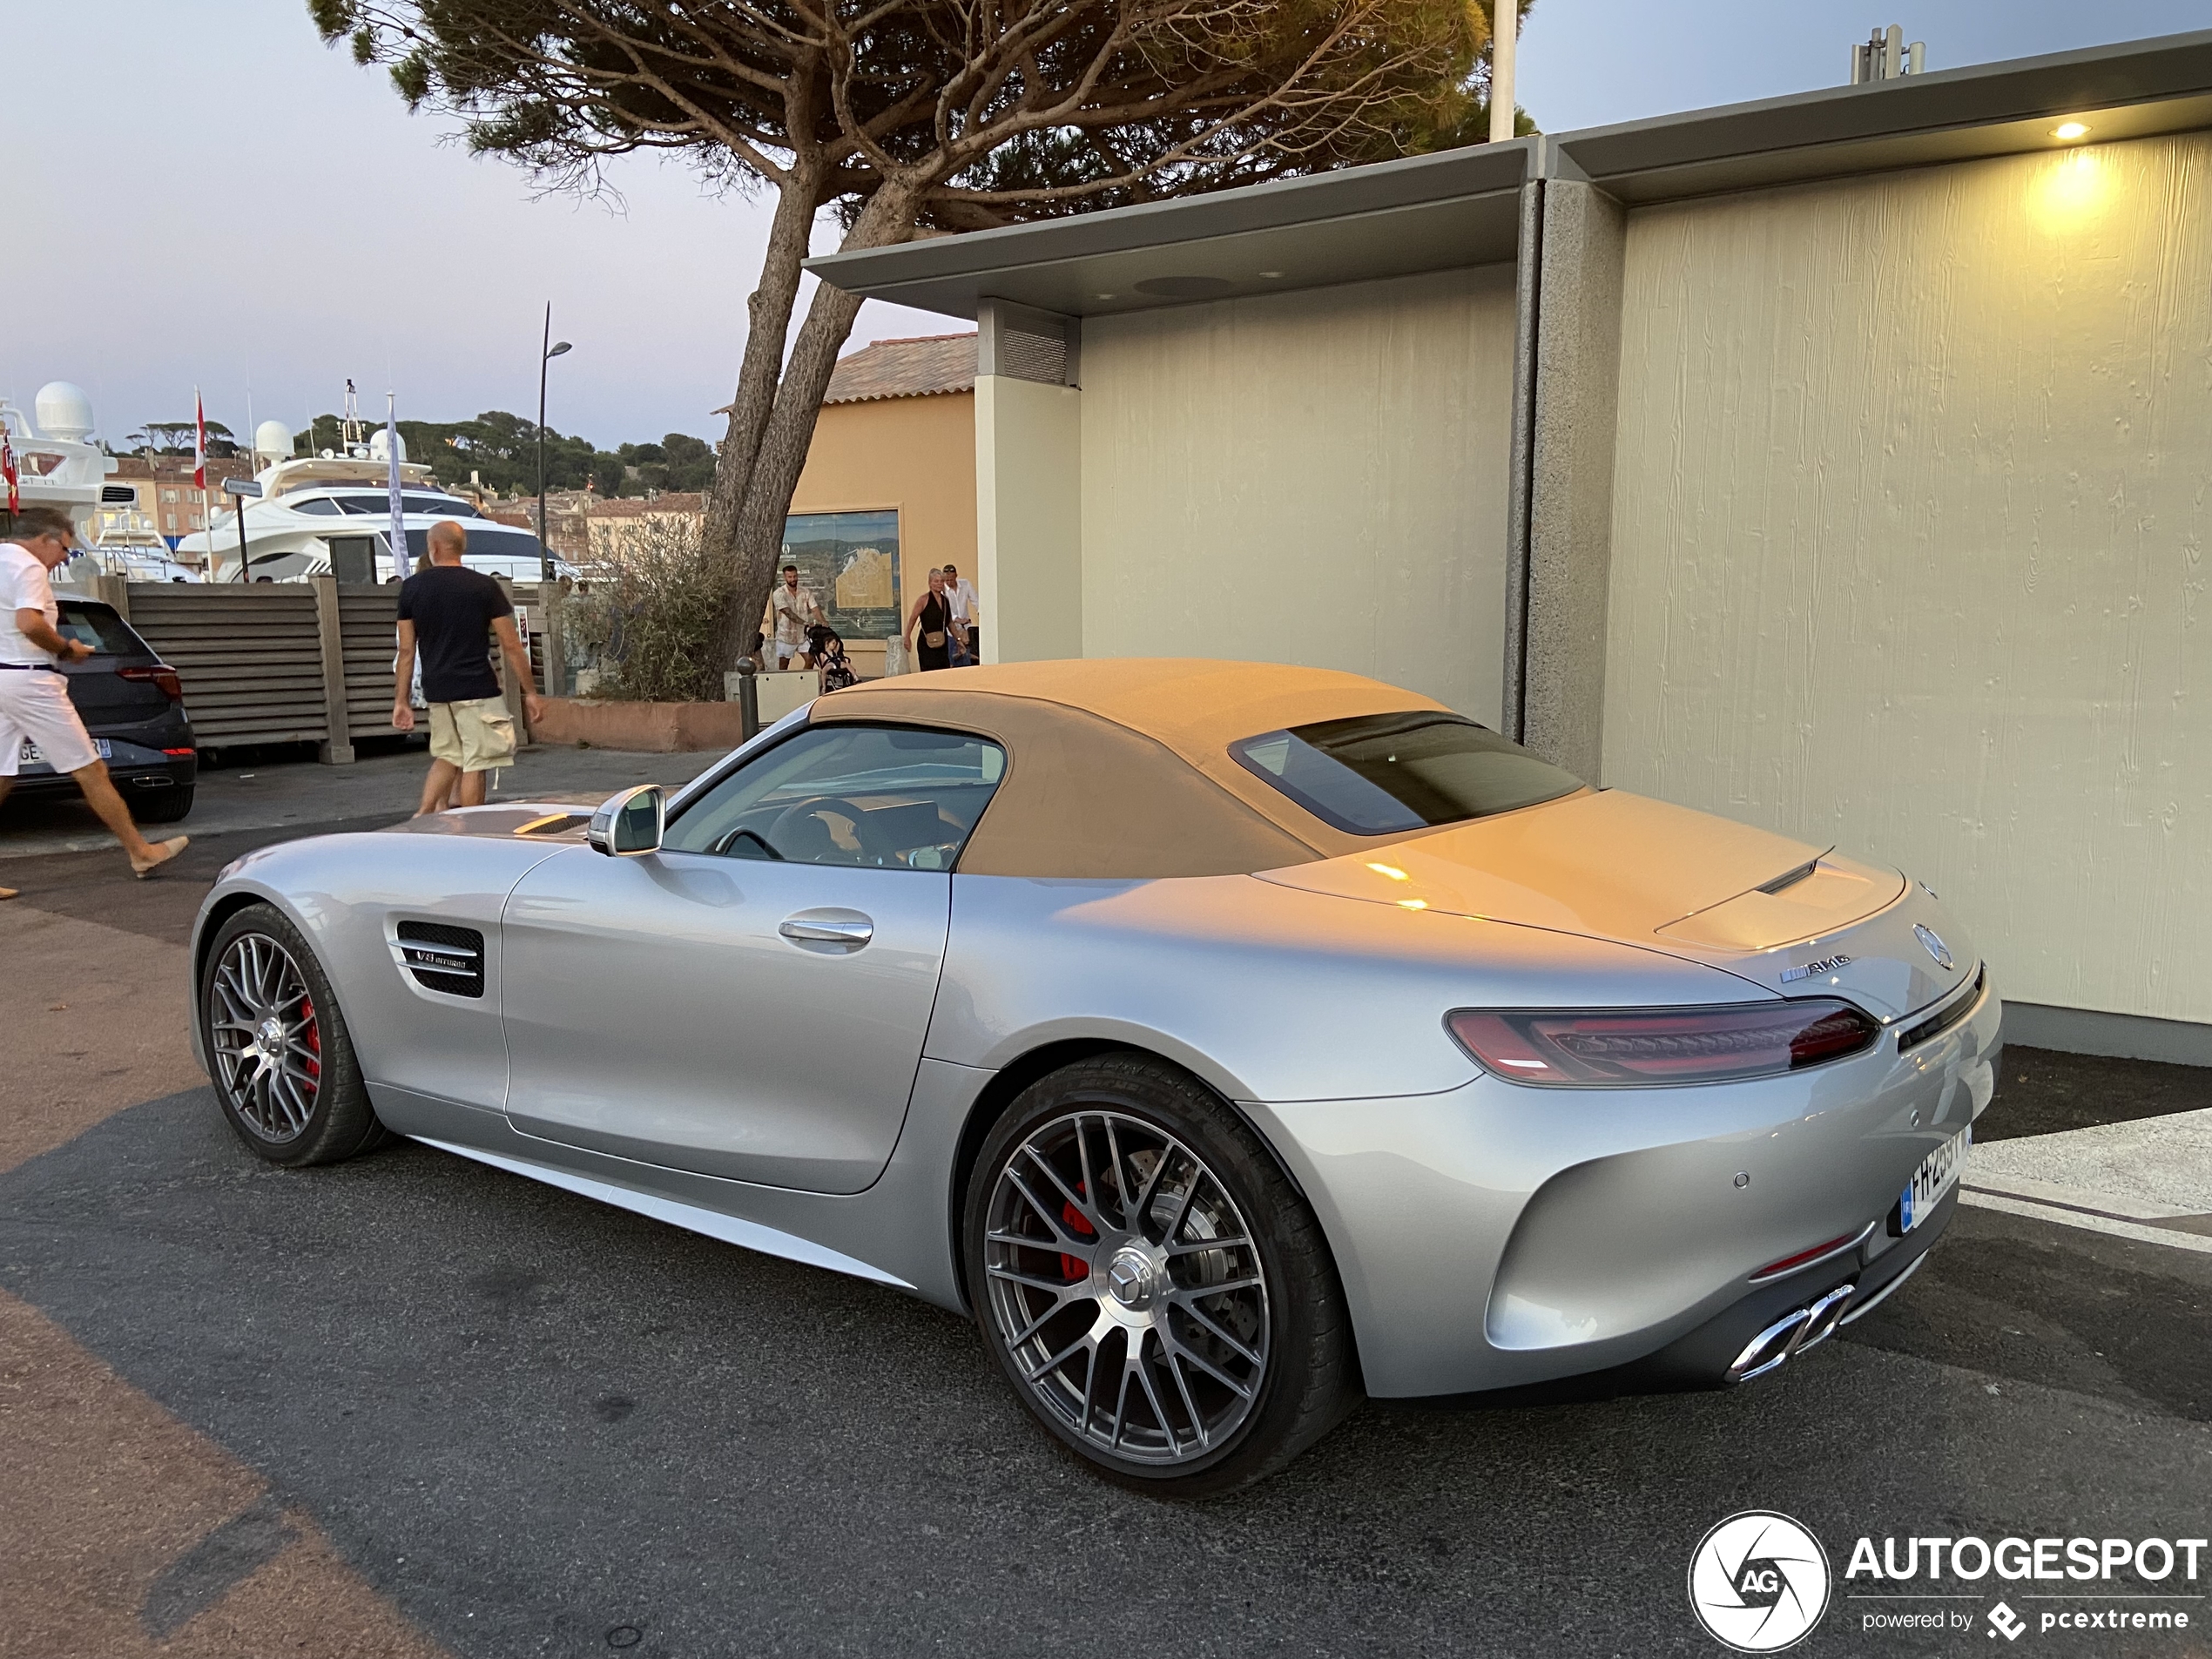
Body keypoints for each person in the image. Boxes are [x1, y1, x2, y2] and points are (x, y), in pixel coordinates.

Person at [0, 506, 187, 898]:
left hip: (2, 676)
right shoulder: (29, 567)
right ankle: (141, 852)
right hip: (31, 679)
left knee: (2, 775)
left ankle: (140, 850)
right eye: (65, 549)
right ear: (45, 539)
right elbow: (30, 623)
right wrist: (67, 648)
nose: (65, 559)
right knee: (91, 769)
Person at [391, 521, 544, 817]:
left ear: (433, 548)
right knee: (476, 761)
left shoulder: (411, 588)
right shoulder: (484, 586)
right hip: (477, 689)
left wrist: (401, 701)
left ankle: (423, 813)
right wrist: (531, 692)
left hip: (437, 690)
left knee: (448, 755)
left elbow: (407, 650)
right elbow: (511, 645)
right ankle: (473, 829)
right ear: (462, 548)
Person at [762, 563, 826, 670]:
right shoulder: (778, 593)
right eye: (790, 577)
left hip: (803, 635)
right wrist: (804, 623)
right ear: (785, 577)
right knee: (783, 665)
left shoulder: (805, 592)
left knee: (811, 659)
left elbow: (815, 608)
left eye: (795, 576)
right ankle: (782, 685)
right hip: (786, 636)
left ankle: (803, 681)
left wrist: (823, 621)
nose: (793, 579)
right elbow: (787, 612)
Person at [902, 567, 956, 673]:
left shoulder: (945, 600)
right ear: (930, 583)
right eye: (936, 581)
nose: (939, 584)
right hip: (926, 643)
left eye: (941, 581)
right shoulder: (923, 599)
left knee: (943, 671)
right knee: (928, 672)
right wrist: (907, 637)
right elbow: (913, 619)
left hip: (942, 642)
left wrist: (958, 640)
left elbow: (949, 622)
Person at [941, 562, 981, 665]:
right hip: (951, 631)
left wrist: (981, 612)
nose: (949, 582)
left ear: (956, 576)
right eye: (946, 580)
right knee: (954, 658)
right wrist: (956, 618)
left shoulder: (965, 584)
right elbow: (944, 609)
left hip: (966, 629)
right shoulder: (942, 590)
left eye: (951, 579)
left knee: (970, 658)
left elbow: (976, 601)